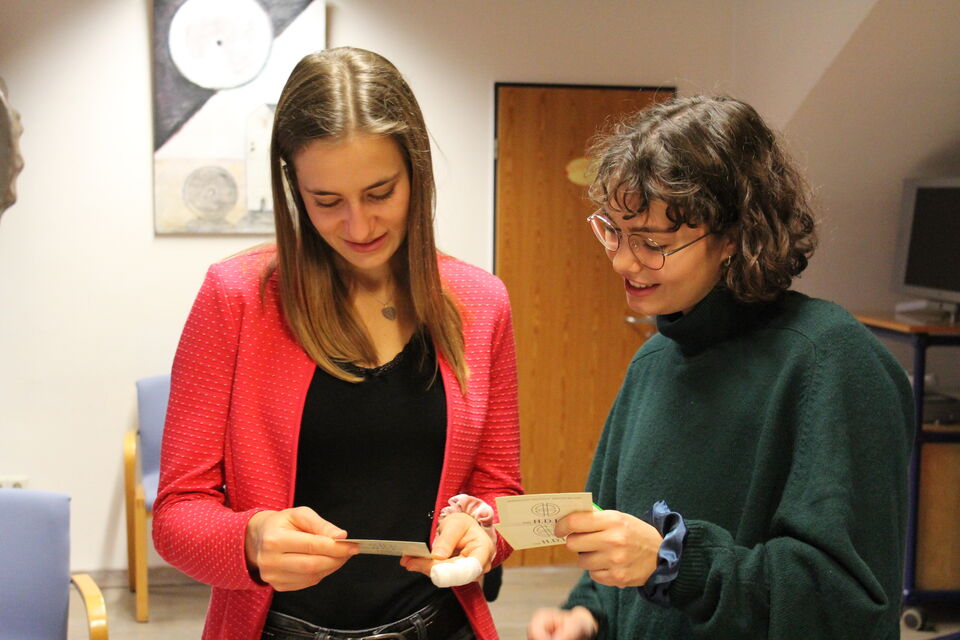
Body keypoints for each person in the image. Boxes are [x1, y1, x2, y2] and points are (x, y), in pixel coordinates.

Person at [153, 47, 522, 640]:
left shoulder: (481, 303)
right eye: (326, 201)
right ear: (294, 188)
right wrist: (248, 540)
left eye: (380, 193)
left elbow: (498, 491)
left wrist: (483, 534)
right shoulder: (236, 298)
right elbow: (176, 514)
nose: (358, 226)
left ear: (417, 173)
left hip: (438, 623)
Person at [527, 95, 914, 639]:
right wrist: (588, 615)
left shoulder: (832, 362)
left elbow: (847, 606)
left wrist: (676, 561)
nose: (622, 261)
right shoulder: (652, 364)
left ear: (733, 236)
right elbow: (617, 546)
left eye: (652, 242)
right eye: (613, 231)